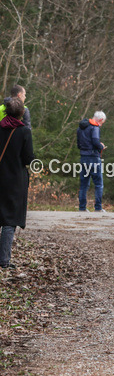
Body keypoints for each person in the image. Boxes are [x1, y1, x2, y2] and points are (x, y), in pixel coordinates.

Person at [0, 99, 34, 268]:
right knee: (9, 221)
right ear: (21, 113)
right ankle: (4, 260)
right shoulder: (24, 132)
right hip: (14, 181)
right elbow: (28, 158)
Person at [77, 111, 106, 212]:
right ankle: (98, 208)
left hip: (83, 157)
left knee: (84, 184)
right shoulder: (95, 127)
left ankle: (82, 208)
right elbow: (95, 141)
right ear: (100, 120)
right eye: (102, 122)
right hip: (93, 158)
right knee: (98, 184)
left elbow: (78, 144)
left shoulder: (81, 127)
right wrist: (101, 146)